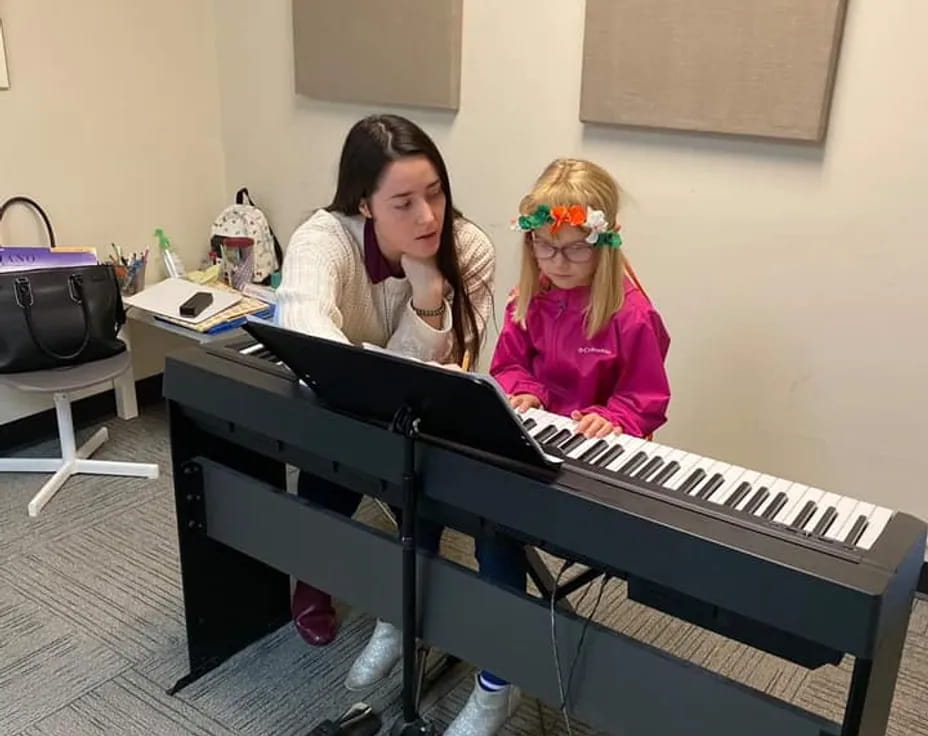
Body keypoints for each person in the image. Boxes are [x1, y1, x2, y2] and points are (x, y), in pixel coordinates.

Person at [275, 114, 524, 735]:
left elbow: (441, 372)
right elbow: (308, 333)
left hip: (416, 412)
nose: (428, 217)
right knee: (330, 454)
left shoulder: (468, 249)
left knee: (432, 462)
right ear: (365, 202)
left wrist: (428, 298)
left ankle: (402, 614)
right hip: (340, 401)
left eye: (435, 192)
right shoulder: (323, 238)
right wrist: (385, 360)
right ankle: (317, 574)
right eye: (404, 202)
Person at [491, 157, 671, 454]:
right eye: (545, 246)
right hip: (536, 434)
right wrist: (526, 390)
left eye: (576, 248)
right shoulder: (527, 300)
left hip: (600, 445)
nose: (558, 262)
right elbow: (510, 365)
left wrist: (614, 417)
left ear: (604, 244)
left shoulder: (632, 317)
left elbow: (642, 394)